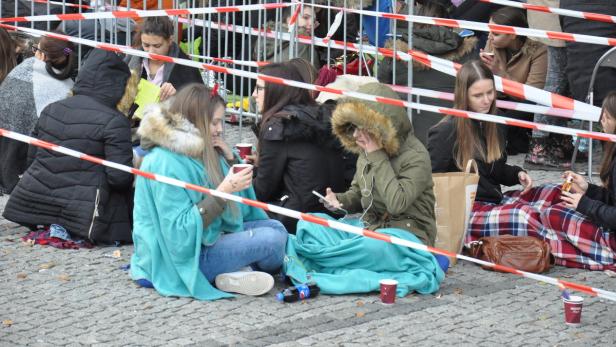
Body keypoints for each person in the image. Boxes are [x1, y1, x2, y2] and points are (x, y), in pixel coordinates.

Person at [282, 82, 444, 297]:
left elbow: (397, 204)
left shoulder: (416, 156)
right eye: (354, 127)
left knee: (372, 246)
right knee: (310, 224)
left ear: (383, 128)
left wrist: (377, 155)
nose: (357, 135)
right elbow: (359, 194)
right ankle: (330, 258)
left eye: (363, 128)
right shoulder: (367, 149)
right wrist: (338, 200)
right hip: (370, 228)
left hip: (406, 236)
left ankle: (318, 260)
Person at [131, 84, 288, 300]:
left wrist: (230, 160)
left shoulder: (202, 150)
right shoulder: (163, 162)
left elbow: (239, 213)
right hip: (179, 258)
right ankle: (237, 270)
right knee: (271, 239)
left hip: (207, 239)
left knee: (276, 227)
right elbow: (178, 235)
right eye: (214, 122)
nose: (220, 129)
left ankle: (236, 270)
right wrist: (223, 191)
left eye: (220, 122)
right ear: (195, 121)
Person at [3, 49, 134, 244]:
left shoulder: (51, 109)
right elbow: (119, 178)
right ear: (119, 86)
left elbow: (32, 160)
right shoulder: (115, 121)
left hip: (36, 205)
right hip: (86, 214)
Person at [250, 61, 350, 233]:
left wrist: (240, 175)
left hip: (296, 218)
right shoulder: (319, 114)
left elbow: (262, 191)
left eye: (259, 88)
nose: (253, 95)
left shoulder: (279, 126)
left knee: (235, 205)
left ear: (276, 91)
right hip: (333, 211)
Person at [377, 0, 478, 145]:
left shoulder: (396, 53)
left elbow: (382, 86)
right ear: (450, 21)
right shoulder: (469, 53)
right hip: (457, 138)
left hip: (408, 139)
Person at [0, 33, 77, 195]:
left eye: (35, 49)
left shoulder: (22, 71)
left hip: (11, 154)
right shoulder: (70, 87)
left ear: (41, 55)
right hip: (41, 160)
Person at [479, 6, 547, 154]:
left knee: (501, 117)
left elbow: (532, 96)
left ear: (513, 35)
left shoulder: (539, 51)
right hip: (499, 100)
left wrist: (500, 74)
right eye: (489, 31)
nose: (489, 37)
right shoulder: (494, 43)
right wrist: (481, 70)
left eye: (495, 33)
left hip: (523, 105)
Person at [525, 0, 572, 170]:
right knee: (557, 79)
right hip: (555, 16)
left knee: (563, 80)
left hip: (555, 14)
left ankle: (559, 141)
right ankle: (538, 148)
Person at [126, 16, 203, 103]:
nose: (151, 51)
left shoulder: (185, 66)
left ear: (170, 40)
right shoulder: (133, 56)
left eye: (157, 46)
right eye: (146, 45)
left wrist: (177, 96)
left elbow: (200, 103)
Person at [254, 5, 321, 69]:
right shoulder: (302, 44)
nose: (311, 23)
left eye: (314, 21)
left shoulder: (269, 36)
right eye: (305, 17)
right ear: (289, 19)